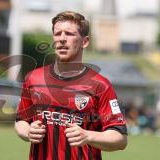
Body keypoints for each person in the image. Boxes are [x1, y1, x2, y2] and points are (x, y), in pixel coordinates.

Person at [15, 11, 127, 160]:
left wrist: (88, 136)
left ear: (84, 42)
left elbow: (120, 138)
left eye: (69, 34)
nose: (62, 39)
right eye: (57, 33)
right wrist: (28, 131)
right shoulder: (33, 78)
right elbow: (21, 121)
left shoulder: (100, 85)